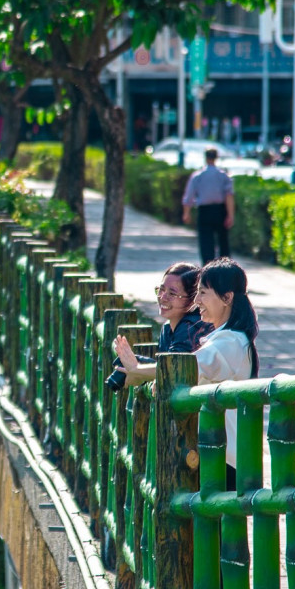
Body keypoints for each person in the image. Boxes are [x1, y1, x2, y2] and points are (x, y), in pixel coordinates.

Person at [113, 258, 259, 489]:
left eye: (203, 293)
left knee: (212, 523)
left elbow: (187, 366)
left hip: (223, 457)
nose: (197, 301)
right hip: (216, 451)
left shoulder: (231, 342)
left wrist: (138, 370)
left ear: (227, 298)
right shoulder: (225, 338)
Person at [181, 148, 235, 266]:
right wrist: (230, 215)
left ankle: (207, 267)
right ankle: (225, 267)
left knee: (206, 241)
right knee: (223, 240)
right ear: (216, 158)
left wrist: (186, 213)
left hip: (204, 211)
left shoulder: (198, 176)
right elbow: (229, 196)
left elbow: (189, 196)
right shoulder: (223, 176)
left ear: (205, 158)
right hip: (220, 210)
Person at [155, 261, 213, 354]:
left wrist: (135, 363)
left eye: (172, 294)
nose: (163, 298)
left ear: (192, 301)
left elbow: (173, 366)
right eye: (161, 290)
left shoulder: (191, 327)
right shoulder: (167, 327)